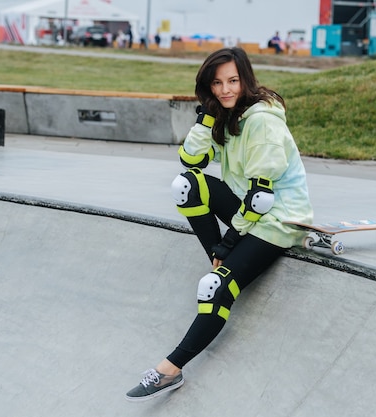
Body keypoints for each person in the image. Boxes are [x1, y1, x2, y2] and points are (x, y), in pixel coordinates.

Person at [125, 47, 313, 402]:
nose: (225, 90)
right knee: (185, 185)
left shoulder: (263, 121)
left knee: (214, 288)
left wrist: (228, 242)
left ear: (246, 80)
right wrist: (206, 118)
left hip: (278, 219)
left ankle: (171, 369)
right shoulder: (226, 114)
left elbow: (261, 198)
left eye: (233, 81)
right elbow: (190, 159)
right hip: (249, 213)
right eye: (217, 83)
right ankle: (220, 259)